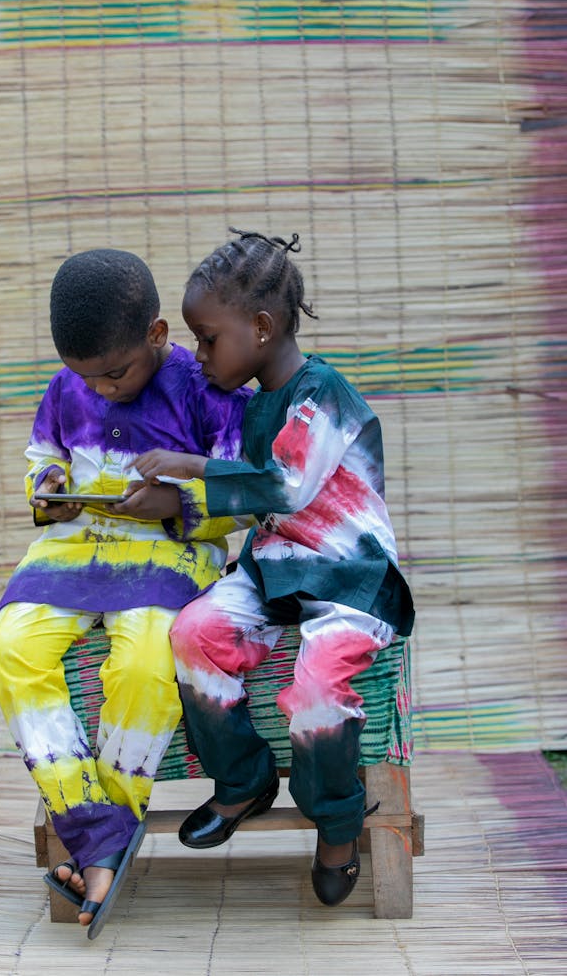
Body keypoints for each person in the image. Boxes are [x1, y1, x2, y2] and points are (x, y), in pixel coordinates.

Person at [134, 229, 415, 909]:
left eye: (207, 338)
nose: (198, 355)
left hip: (349, 573)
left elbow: (283, 488)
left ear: (260, 327)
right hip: (279, 565)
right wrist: (168, 504)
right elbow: (258, 506)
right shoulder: (256, 398)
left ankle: (337, 824)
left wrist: (192, 467)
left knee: (319, 686)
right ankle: (241, 781)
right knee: (193, 632)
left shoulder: (326, 397)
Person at [0, 248, 250, 938]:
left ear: (158, 336)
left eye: (114, 372)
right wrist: (45, 493)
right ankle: (98, 828)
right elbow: (44, 457)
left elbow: (245, 493)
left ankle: (98, 833)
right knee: (9, 649)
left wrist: (175, 503)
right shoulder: (65, 387)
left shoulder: (207, 387)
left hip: (171, 554)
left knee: (142, 663)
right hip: (70, 552)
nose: (99, 389)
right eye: (84, 376)